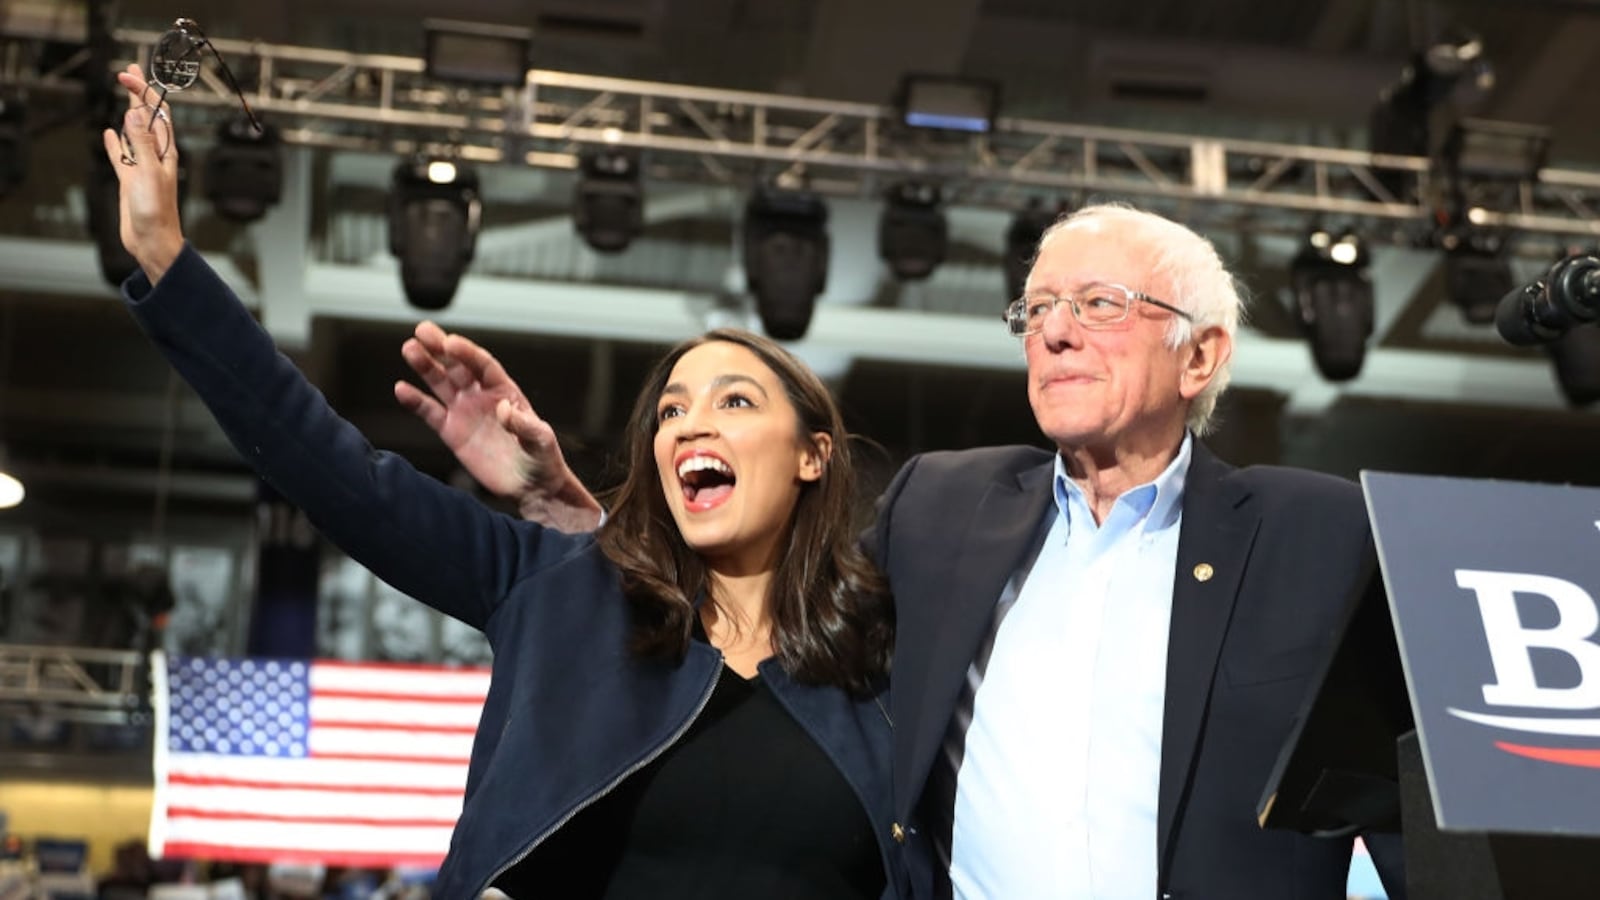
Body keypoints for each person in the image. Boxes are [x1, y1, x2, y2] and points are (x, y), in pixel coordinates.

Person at [402, 207, 1408, 897]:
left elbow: (1418, 807)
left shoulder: (1318, 531)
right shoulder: (945, 508)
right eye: (1037, 309)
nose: (1053, 333)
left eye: (1096, 305)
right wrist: (568, 506)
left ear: (1201, 353)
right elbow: (773, 599)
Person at [101, 63, 903, 900]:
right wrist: (168, 262)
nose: (690, 424)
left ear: (813, 454)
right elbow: (334, 472)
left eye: (733, 400)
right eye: (669, 411)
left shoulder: (883, 660)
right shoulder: (565, 593)